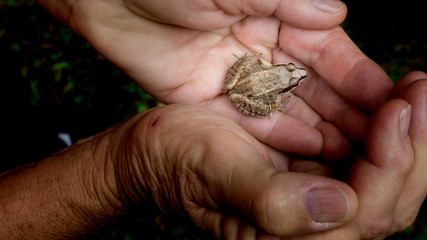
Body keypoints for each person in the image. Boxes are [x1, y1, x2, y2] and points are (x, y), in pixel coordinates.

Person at [0, 0, 426, 239]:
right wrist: (117, 172)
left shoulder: (281, 77)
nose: (297, 76)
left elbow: (266, 79)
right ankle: (51, 145)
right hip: (256, 83)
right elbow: (275, 86)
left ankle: (46, 144)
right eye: (296, 76)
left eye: (295, 78)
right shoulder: (287, 84)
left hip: (250, 76)